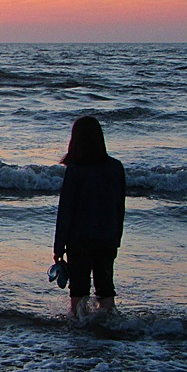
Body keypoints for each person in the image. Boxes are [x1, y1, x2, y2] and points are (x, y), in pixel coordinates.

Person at [53, 116, 126, 319]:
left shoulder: (75, 171)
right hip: (107, 237)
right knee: (105, 287)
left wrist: (58, 248)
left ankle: (78, 328)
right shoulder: (116, 167)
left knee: (78, 289)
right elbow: (120, 206)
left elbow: (66, 211)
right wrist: (116, 237)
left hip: (79, 239)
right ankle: (109, 324)